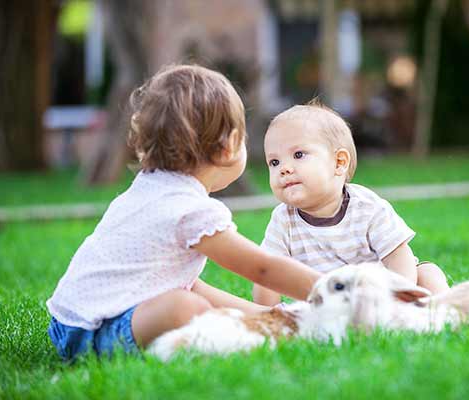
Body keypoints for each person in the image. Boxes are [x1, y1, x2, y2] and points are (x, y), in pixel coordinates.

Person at [46, 64, 321, 361]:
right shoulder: (191, 210)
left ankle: (254, 325)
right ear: (229, 145)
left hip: (69, 324)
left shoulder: (147, 189)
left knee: (188, 298)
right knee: (187, 308)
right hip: (99, 331)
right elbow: (262, 268)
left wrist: (267, 315)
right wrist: (330, 289)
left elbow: (191, 284)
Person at [253, 101, 449, 306]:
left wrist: (397, 301)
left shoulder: (367, 208)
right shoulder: (283, 220)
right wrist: (269, 315)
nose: (284, 168)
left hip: (378, 296)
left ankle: (445, 312)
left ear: (339, 163)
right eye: (274, 162)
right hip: (324, 304)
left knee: (427, 274)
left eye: (298, 155)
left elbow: (398, 258)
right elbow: (268, 272)